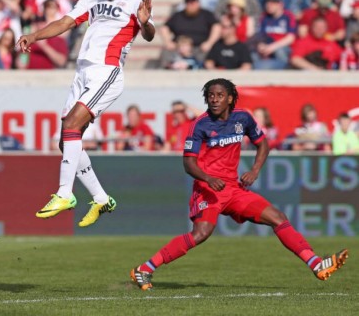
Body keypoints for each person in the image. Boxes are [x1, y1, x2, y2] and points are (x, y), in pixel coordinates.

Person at [130, 78, 348, 290]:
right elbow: (188, 162)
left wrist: (254, 170)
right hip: (208, 189)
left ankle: (316, 264)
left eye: (219, 95)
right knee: (201, 233)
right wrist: (207, 178)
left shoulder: (243, 118)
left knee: (278, 217)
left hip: (233, 189)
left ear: (231, 98)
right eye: (210, 96)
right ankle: (144, 268)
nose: (214, 99)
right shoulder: (199, 124)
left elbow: (263, 144)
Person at [16, 0, 155, 227]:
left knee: (70, 126)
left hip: (107, 71)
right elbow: (66, 22)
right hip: (82, 72)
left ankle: (65, 194)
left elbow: (149, 34)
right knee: (66, 141)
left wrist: (145, 22)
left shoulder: (136, 1)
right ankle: (101, 199)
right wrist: (34, 36)